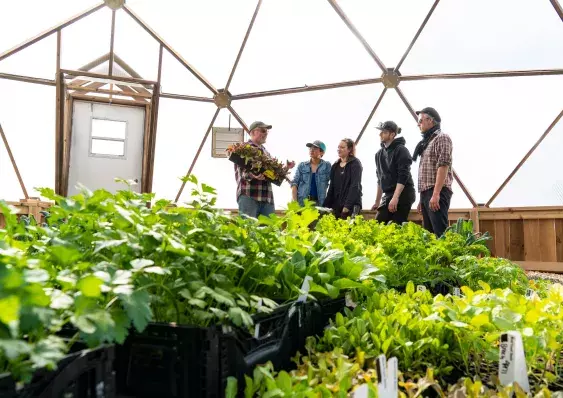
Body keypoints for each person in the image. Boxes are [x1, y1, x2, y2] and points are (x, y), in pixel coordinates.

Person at [234, 121, 294, 218]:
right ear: (253, 132)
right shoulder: (244, 148)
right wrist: (253, 176)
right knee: (249, 230)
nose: (265, 134)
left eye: (266, 132)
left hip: (267, 198)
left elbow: (274, 175)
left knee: (269, 231)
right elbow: (242, 174)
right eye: (262, 131)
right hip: (249, 195)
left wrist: (286, 168)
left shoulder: (266, 152)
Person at [412, 107, 453, 237]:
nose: (418, 124)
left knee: (440, 235)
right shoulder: (426, 143)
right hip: (427, 193)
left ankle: (446, 258)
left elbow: (443, 165)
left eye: (421, 120)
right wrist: (422, 198)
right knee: (429, 236)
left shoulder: (442, 138)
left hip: (437, 192)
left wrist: (435, 194)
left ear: (430, 120)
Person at [372, 121, 416, 225]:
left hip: (403, 193)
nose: (380, 134)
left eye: (384, 132)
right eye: (380, 132)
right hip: (388, 194)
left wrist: (395, 197)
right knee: (379, 223)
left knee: (396, 225)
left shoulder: (401, 150)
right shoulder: (379, 154)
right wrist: (377, 202)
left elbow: (403, 176)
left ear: (392, 135)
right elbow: (380, 179)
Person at [323, 138, 363, 219]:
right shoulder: (335, 165)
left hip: (351, 205)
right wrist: (325, 206)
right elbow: (332, 187)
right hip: (337, 205)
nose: (339, 149)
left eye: (342, 147)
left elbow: (355, 186)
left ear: (349, 149)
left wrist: (347, 206)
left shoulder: (355, 164)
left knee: (348, 229)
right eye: (338, 147)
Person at [291, 140, 331, 207]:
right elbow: (294, 184)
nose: (311, 150)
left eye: (315, 148)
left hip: (320, 204)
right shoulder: (302, 165)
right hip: (302, 204)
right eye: (310, 148)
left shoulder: (327, 165)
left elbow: (334, 184)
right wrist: (295, 203)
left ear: (322, 152)